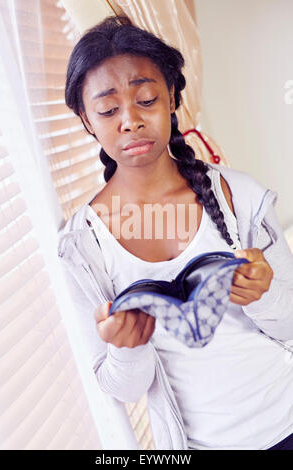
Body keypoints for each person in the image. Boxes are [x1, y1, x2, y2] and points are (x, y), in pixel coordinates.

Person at [58, 16, 293, 450]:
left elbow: (290, 320)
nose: (129, 120)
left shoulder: (237, 195)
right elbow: (122, 390)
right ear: (87, 120)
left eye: (145, 99)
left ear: (170, 99)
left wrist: (265, 292)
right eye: (108, 110)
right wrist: (128, 347)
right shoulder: (82, 246)